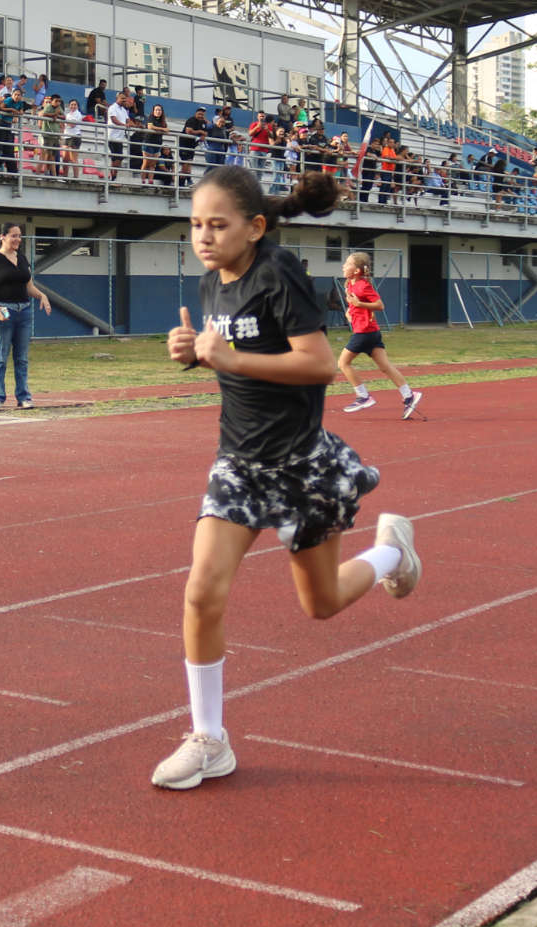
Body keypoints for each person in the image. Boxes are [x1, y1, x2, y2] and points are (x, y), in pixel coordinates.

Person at [154, 165, 422, 790]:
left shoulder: (278, 275)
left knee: (321, 604)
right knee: (201, 591)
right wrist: (193, 354)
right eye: (196, 224)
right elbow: (228, 361)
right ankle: (209, 739)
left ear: (255, 226)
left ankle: (389, 553)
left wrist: (229, 356)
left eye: (218, 225)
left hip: (303, 463)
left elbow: (321, 366)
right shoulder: (211, 281)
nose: (204, 236)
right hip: (239, 462)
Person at [337, 252, 421, 418]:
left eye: (348, 264)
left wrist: (358, 304)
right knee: (385, 367)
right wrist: (350, 311)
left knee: (343, 363)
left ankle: (363, 396)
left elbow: (379, 305)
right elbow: (355, 304)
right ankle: (409, 395)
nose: (343, 266)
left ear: (356, 271)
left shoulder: (363, 285)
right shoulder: (349, 284)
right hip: (372, 332)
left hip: (364, 333)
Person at [0, 223, 52, 409]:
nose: (18, 240)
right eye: (14, 236)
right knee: (1, 356)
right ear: (2, 237)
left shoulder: (22, 259)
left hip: (24, 311)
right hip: (3, 310)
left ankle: (24, 397)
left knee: (22, 358)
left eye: (19, 236)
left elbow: (29, 286)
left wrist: (42, 295)